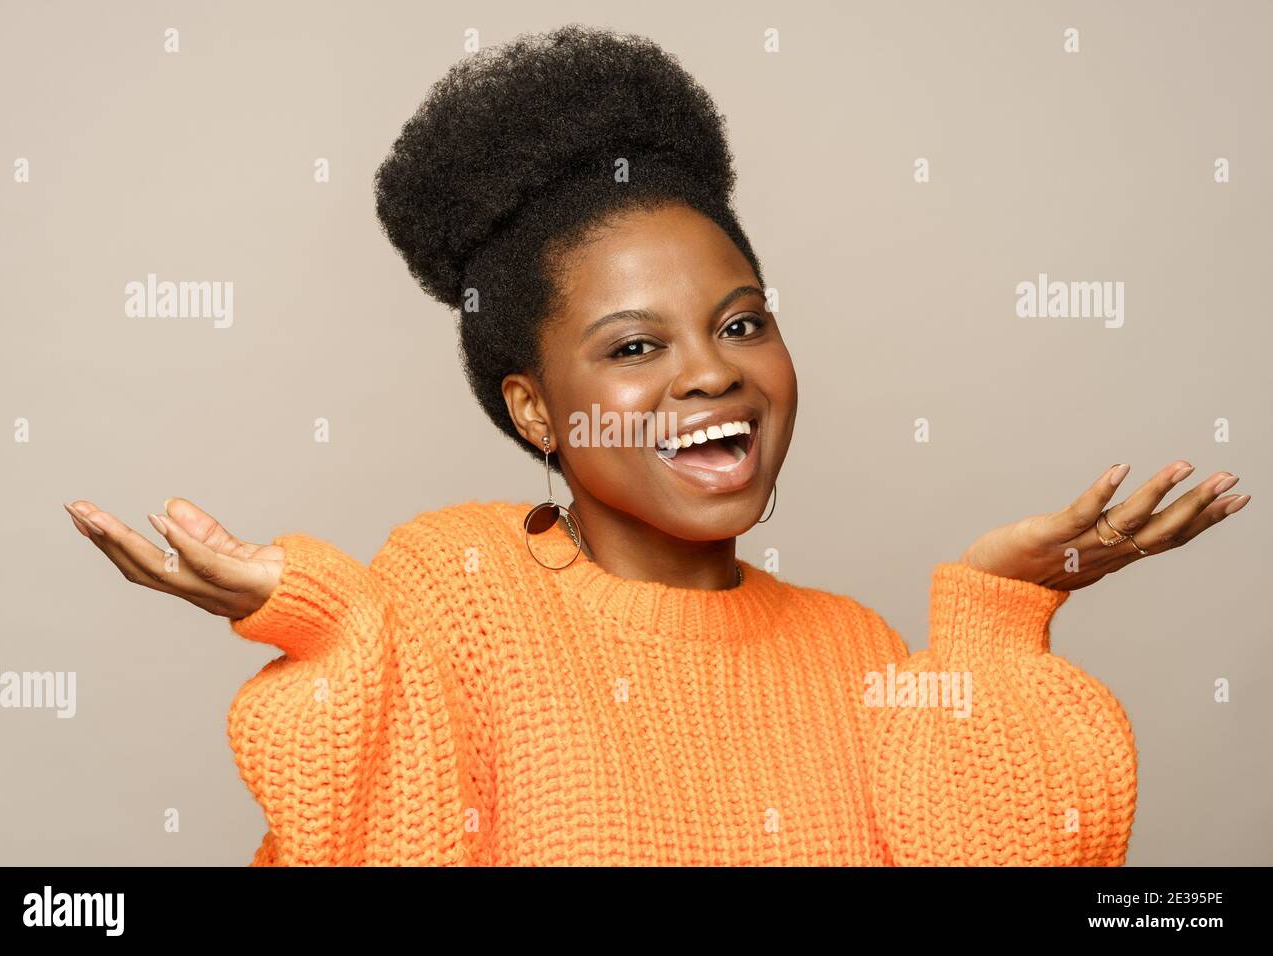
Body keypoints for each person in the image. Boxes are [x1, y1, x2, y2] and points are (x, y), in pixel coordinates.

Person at [63, 24, 1248, 866]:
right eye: (634, 347)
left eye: (742, 322)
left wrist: (996, 608)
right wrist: (328, 620)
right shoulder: (457, 586)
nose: (711, 369)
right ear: (534, 409)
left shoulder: (855, 645)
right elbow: (380, 819)